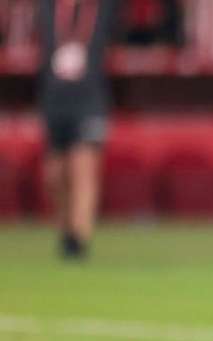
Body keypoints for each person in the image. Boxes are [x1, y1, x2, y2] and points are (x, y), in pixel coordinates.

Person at [37, 0, 120, 259]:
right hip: (55, 100)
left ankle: (79, 239)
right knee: (55, 174)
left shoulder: (101, 7)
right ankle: (66, 230)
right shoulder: (49, 7)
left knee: (83, 168)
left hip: (90, 100)